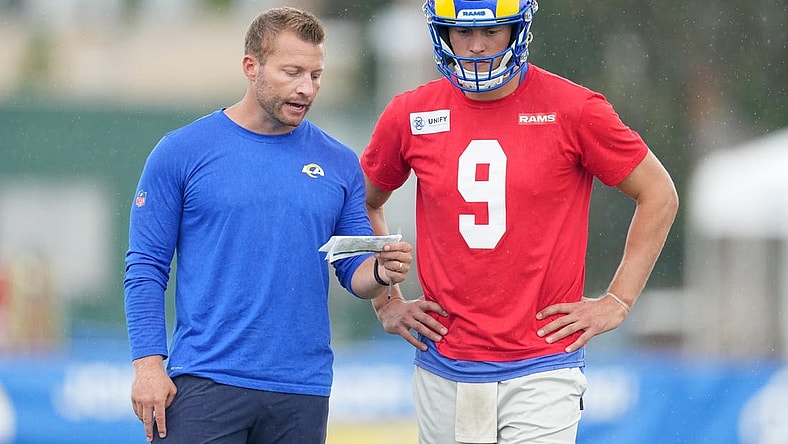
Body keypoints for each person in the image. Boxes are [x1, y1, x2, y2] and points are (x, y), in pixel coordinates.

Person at [360, 0, 679, 443]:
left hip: (542, 365)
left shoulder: (574, 108)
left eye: (491, 31)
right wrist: (386, 301)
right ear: (441, 32)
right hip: (443, 363)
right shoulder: (408, 114)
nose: (475, 46)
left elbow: (658, 194)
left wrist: (619, 300)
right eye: (461, 32)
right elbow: (363, 202)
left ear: (518, 29)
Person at [123, 7, 413, 444]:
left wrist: (381, 272)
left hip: (302, 390)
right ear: (251, 66)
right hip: (205, 381)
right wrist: (148, 366)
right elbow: (145, 266)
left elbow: (353, 272)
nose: (306, 88)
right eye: (292, 72)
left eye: (316, 75)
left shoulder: (339, 164)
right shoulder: (182, 151)